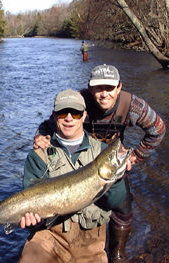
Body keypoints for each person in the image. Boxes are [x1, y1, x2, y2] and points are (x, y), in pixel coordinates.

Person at [33, 64, 166, 263]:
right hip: (81, 161)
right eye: (98, 88)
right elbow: (49, 124)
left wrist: (135, 157)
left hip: (112, 160)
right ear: (90, 88)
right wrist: (40, 137)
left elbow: (158, 130)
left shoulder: (133, 106)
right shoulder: (78, 102)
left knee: (123, 204)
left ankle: (118, 251)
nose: (104, 94)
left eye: (109, 88)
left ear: (119, 87)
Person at [18, 89, 130, 263]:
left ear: (84, 116)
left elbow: (115, 202)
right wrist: (33, 220)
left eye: (76, 113)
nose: (69, 118)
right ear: (54, 116)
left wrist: (115, 178)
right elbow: (29, 196)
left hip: (91, 243)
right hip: (48, 238)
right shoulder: (39, 155)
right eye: (63, 113)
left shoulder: (101, 150)